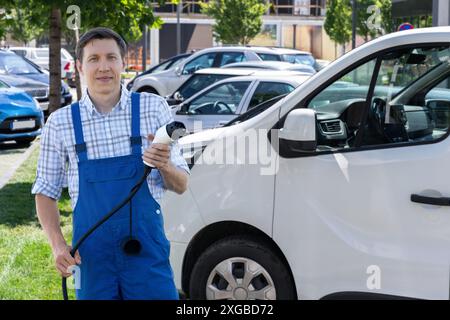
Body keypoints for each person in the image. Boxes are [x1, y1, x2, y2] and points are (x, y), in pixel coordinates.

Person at [32, 27, 189, 300]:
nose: (103, 67)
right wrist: (58, 246)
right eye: (94, 59)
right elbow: (45, 190)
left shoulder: (153, 108)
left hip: (147, 255)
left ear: (123, 63)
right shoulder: (60, 123)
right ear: (80, 66)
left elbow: (182, 184)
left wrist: (163, 165)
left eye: (111, 57)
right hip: (89, 259)